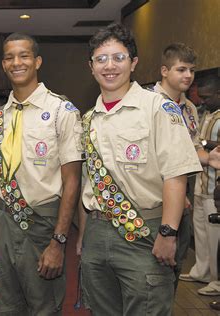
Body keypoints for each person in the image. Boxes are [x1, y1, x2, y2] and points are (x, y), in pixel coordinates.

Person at [79, 23, 202, 315]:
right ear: (91, 67)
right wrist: (84, 240)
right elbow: (89, 182)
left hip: (144, 232)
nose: (110, 66)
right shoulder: (87, 120)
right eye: (101, 59)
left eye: (118, 57)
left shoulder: (158, 108)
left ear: (133, 63)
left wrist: (168, 234)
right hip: (97, 233)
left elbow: (176, 175)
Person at [0, 33, 83, 315]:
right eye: (9, 57)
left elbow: (72, 180)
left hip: (40, 224)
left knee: (44, 307)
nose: (17, 62)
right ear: (3, 65)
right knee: (6, 305)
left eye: (24, 55)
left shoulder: (62, 111)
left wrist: (59, 242)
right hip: (2, 221)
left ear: (37, 61)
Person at [152, 43, 206, 286]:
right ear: (165, 71)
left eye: (191, 70)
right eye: (181, 69)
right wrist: (175, 191)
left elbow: (191, 149)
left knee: (176, 262)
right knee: (154, 270)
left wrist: (209, 157)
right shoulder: (149, 104)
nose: (188, 76)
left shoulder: (190, 108)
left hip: (185, 199)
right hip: (156, 200)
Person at [187, 75, 220, 296]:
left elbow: (204, 144)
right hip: (200, 182)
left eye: (208, 97)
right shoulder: (208, 115)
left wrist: (207, 145)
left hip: (214, 189)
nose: (204, 101)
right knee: (200, 232)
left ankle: (216, 281)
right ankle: (201, 271)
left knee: (214, 237)